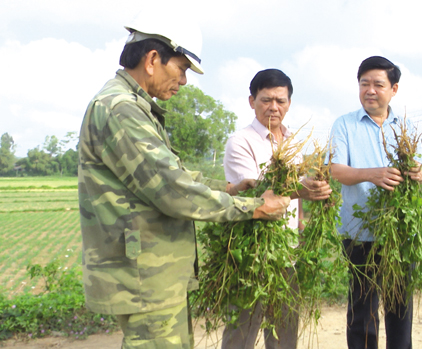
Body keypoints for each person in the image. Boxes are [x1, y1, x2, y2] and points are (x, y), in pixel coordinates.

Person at [77, 15, 290, 349]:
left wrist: (228, 188)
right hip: (144, 274)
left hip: (152, 272)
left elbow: (171, 176)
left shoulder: (133, 106)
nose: (185, 81)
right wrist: (256, 208)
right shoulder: (121, 110)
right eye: (182, 68)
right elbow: (173, 191)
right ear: (152, 60)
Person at [220, 68, 332, 349]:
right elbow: (256, 194)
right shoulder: (241, 142)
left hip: (288, 253)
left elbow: (298, 196)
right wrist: (301, 189)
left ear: (289, 103)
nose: (273, 107)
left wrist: (305, 221)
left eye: (280, 101)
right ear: (251, 101)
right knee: (241, 334)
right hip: (251, 254)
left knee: (284, 335)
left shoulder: (293, 141)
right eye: (266, 99)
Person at [329, 56, 422, 349]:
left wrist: (418, 174)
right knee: (362, 310)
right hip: (359, 232)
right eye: (364, 84)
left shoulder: (406, 127)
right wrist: (372, 174)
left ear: (393, 89)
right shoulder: (344, 124)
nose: (370, 90)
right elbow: (336, 170)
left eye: (378, 84)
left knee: (400, 307)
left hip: (399, 234)